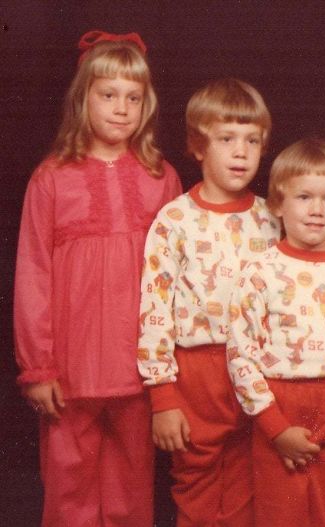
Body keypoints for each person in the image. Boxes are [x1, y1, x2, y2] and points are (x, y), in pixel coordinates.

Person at [13, 30, 182, 526]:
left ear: (146, 105)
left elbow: (174, 277)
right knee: (69, 484)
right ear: (82, 96)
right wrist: (38, 367)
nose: (121, 108)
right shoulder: (52, 176)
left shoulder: (161, 176)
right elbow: (32, 275)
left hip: (138, 368)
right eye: (108, 95)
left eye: (133, 98)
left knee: (133, 484)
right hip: (71, 368)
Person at [137, 77, 279, 526]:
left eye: (252, 140)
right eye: (226, 139)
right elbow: (154, 306)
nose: (241, 152)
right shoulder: (175, 219)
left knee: (245, 484)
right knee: (196, 484)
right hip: (197, 373)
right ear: (198, 146)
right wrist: (163, 397)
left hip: (256, 373)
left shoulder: (271, 216)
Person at [227, 137, 325, 527]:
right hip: (282, 408)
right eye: (304, 197)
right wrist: (275, 429)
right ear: (278, 203)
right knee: (280, 518)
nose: (316, 210)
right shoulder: (260, 270)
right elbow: (241, 356)